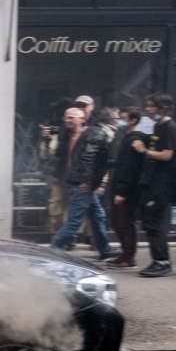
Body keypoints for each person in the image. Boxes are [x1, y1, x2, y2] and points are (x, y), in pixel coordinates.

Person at [48, 106, 112, 257]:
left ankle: (53, 249)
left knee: (76, 221)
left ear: (82, 119)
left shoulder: (92, 134)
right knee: (97, 216)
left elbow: (90, 160)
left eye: (71, 117)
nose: (67, 120)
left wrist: (90, 182)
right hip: (74, 182)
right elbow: (57, 157)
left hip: (83, 184)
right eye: (66, 117)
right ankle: (105, 250)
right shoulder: (66, 136)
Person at [134, 93, 176, 277]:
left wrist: (144, 150)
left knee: (157, 223)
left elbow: (167, 155)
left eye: (151, 106)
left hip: (163, 184)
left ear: (163, 108)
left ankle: (162, 262)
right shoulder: (157, 126)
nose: (148, 110)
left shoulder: (170, 128)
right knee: (151, 222)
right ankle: (157, 260)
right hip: (153, 181)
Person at [105, 106, 144, 270]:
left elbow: (129, 167)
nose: (120, 120)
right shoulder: (124, 136)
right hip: (119, 185)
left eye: (123, 117)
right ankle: (125, 254)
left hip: (126, 189)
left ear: (133, 120)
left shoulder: (134, 138)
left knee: (124, 223)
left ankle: (128, 256)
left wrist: (122, 191)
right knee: (117, 221)